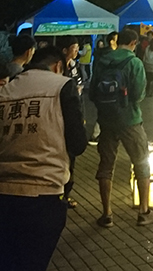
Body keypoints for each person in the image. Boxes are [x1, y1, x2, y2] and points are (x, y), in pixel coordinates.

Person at [0, 45, 87, 271]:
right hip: (44, 195)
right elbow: (78, 144)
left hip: (4, 193)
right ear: (58, 66)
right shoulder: (63, 86)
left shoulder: (7, 89)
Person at [89, 26, 153, 228]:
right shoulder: (134, 62)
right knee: (141, 162)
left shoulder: (102, 61)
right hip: (130, 120)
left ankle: (106, 214)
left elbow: (92, 92)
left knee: (106, 166)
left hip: (106, 121)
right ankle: (144, 211)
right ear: (133, 43)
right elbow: (138, 95)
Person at [55, 36, 84, 208]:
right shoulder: (57, 68)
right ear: (65, 49)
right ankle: (58, 196)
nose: (77, 51)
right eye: (74, 47)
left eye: (77, 47)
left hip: (73, 113)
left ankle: (66, 194)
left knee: (71, 160)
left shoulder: (74, 66)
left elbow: (80, 85)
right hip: (58, 118)